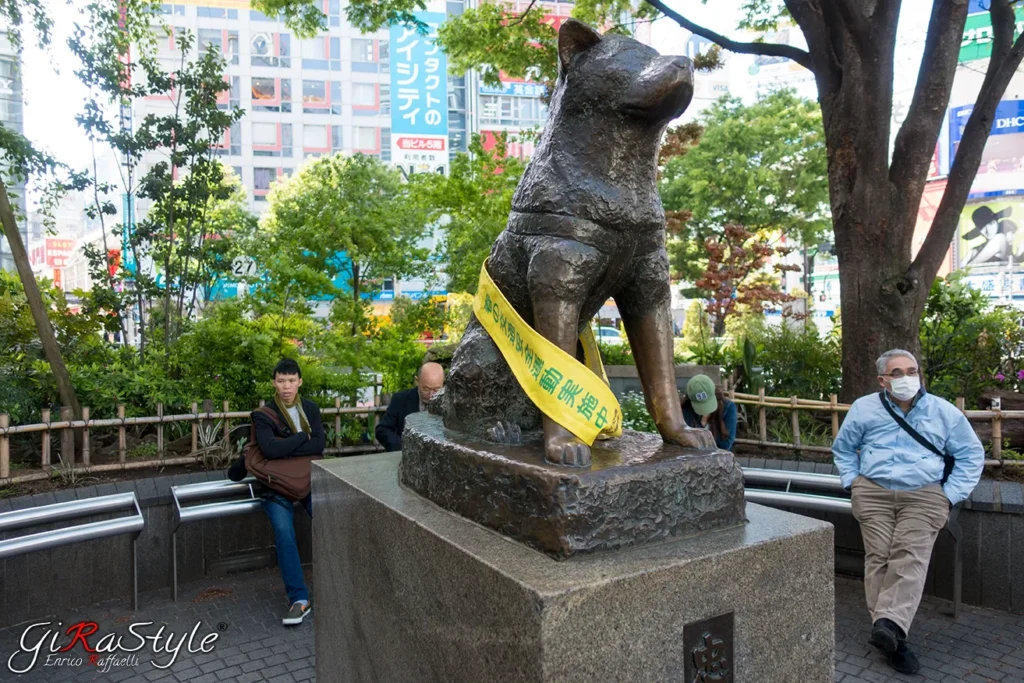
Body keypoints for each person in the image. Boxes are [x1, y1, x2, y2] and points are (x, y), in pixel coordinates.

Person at [832, 349, 983, 675]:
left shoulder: (943, 412)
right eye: (897, 372)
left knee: (909, 553)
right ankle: (892, 636)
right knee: (880, 557)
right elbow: (843, 448)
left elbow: (971, 455)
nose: (905, 377)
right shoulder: (864, 408)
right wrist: (852, 482)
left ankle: (889, 625)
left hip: (925, 495)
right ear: (882, 380)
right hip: (873, 491)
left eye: (911, 370)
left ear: (920, 374)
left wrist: (949, 495)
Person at [229, 358, 325, 626]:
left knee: (331, 520)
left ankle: (341, 584)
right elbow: (269, 450)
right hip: (275, 487)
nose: (286, 386)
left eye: (291, 381)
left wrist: (289, 445)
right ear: (274, 382)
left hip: (306, 482)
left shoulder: (311, 409)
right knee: (284, 533)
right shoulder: (263, 415)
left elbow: (320, 445)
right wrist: (300, 438)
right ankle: (299, 599)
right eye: (281, 381)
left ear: (300, 382)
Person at [375, 362, 445, 451]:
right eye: (426, 389)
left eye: (436, 390)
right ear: (417, 381)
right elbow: (382, 429)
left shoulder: (451, 403)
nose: (431, 395)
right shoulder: (400, 399)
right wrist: (402, 448)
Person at [680, 374, 737, 451]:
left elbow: (726, 444)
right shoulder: (686, 410)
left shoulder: (729, 408)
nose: (704, 411)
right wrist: (703, 422)